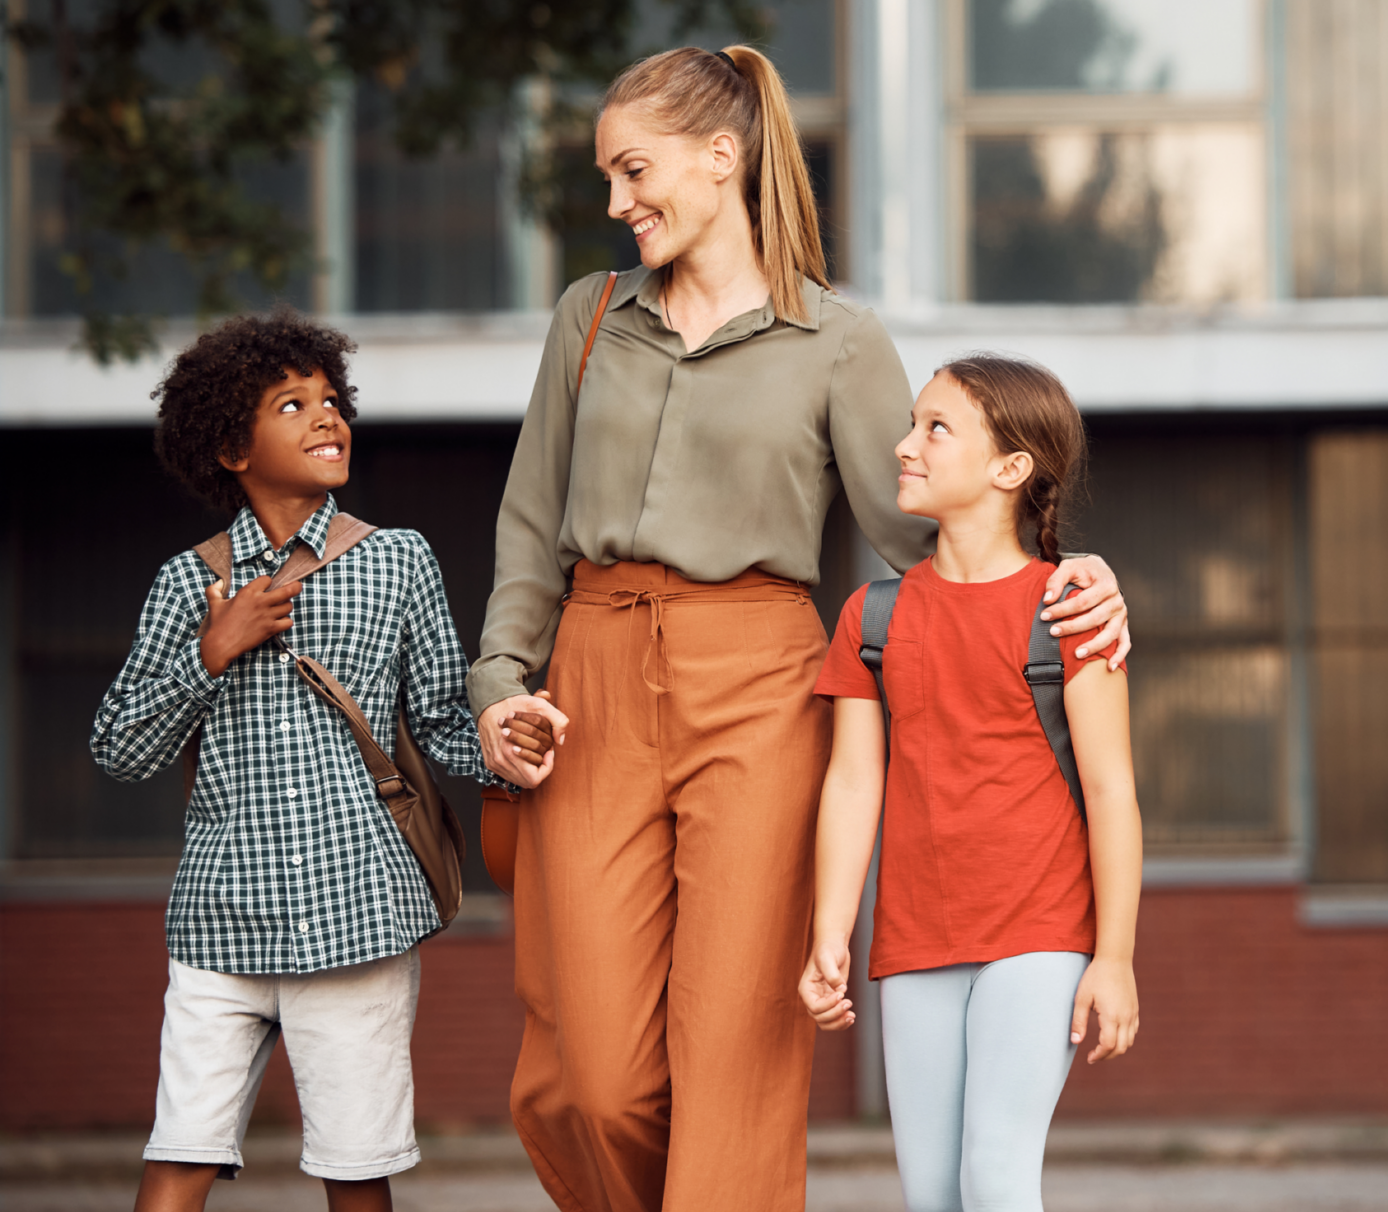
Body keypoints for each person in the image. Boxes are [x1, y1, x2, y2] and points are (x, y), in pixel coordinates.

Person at [470, 46, 1131, 1212]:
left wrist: (1070, 575)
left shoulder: (838, 339)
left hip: (760, 688)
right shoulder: (587, 318)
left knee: (731, 1058)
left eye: (633, 171)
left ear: (720, 158)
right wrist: (496, 688)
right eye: (607, 178)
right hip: (591, 678)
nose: (615, 202)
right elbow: (530, 522)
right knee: (588, 1080)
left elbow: (931, 535)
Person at [90, 309, 553, 1212]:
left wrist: (511, 736)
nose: (326, 416)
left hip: (358, 919)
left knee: (355, 1172)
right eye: (291, 403)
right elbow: (118, 751)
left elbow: (442, 726)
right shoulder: (191, 584)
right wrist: (209, 651)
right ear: (230, 446)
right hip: (221, 925)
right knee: (176, 1164)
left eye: (332, 398)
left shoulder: (397, 563)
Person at [798, 355, 1142, 1212]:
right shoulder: (871, 618)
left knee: (995, 1174)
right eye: (912, 423)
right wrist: (829, 933)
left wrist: (1117, 957)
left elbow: (1111, 793)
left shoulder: (1070, 610)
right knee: (934, 1196)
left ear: (1011, 468)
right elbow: (850, 785)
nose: (904, 444)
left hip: (1041, 932)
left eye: (934, 428)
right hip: (915, 939)